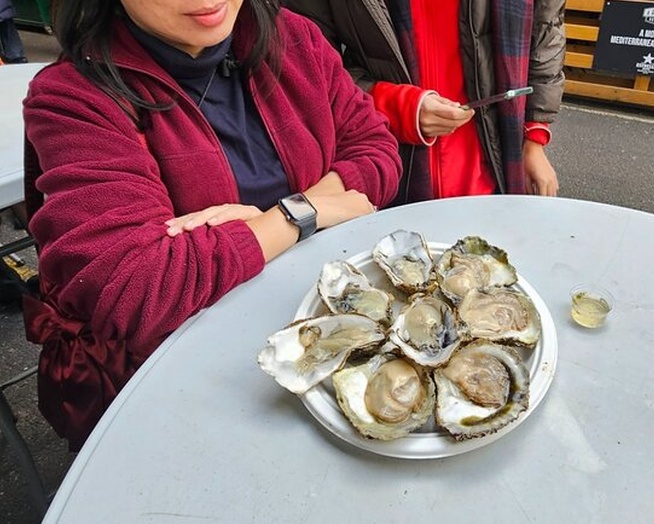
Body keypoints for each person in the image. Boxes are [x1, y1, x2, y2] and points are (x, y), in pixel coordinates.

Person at [22, 0, 401, 450]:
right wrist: (301, 215)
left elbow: (375, 150)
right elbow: (137, 288)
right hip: (179, 379)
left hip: (321, 334)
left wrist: (274, 219)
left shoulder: (293, 39)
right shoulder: (73, 99)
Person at [282, 0, 566, 205]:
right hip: (390, 168)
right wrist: (396, 106)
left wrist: (534, 136)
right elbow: (304, 64)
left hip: (498, 167)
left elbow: (545, 31)